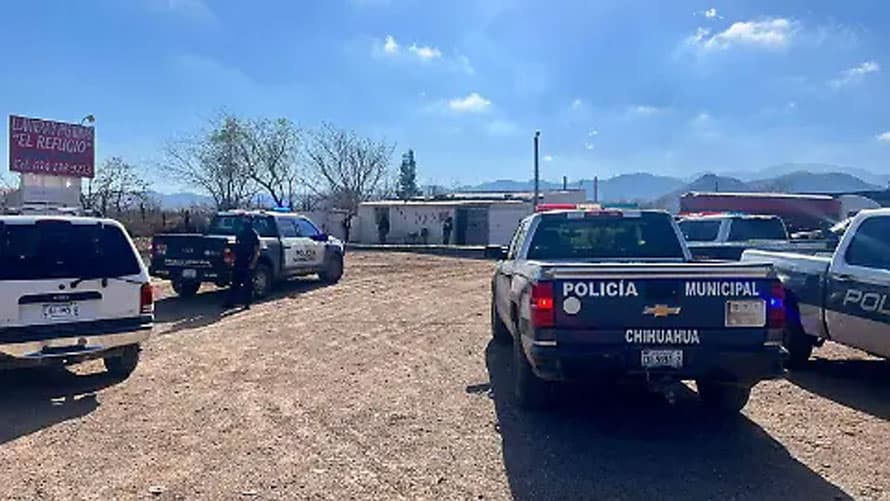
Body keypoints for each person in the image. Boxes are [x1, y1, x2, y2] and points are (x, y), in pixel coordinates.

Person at [225, 219, 261, 309]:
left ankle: (247, 303)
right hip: (239, 260)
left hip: (248, 260)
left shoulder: (254, 234)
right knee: (235, 282)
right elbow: (236, 246)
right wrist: (233, 260)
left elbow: (256, 250)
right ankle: (231, 302)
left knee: (248, 283)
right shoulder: (241, 233)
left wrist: (253, 262)